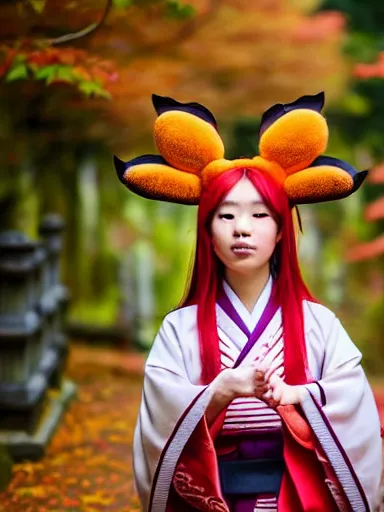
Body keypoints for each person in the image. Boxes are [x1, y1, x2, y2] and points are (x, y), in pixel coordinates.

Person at [114, 92, 382, 512]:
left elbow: (356, 407)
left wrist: (301, 396)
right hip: (214, 499)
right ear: (207, 231)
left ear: (280, 232)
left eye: (259, 215)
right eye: (225, 215)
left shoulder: (320, 323)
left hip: (296, 498)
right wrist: (218, 392)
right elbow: (157, 426)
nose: (241, 229)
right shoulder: (178, 329)